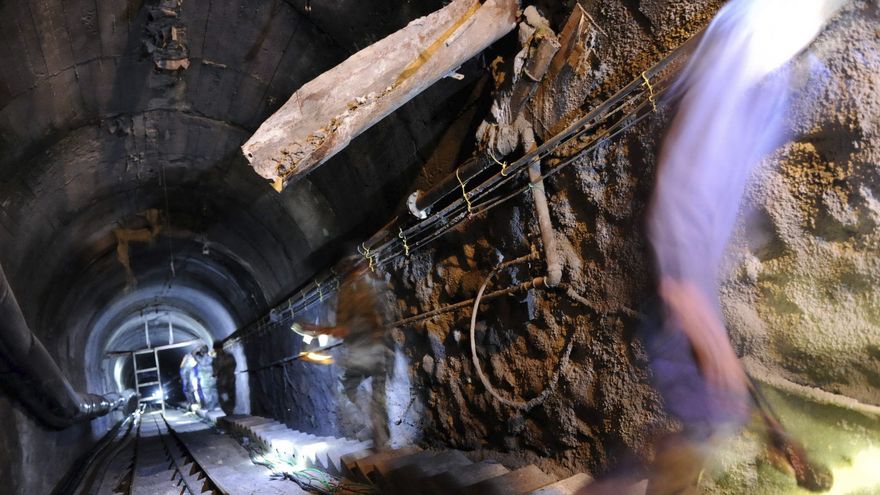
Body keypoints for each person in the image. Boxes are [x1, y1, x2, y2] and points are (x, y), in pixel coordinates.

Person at [292, 262, 393, 449]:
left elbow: (346, 329)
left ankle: (377, 432)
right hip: (374, 348)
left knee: (350, 388)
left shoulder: (354, 291)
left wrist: (316, 330)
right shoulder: (363, 286)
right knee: (371, 390)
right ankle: (379, 434)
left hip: (365, 350)